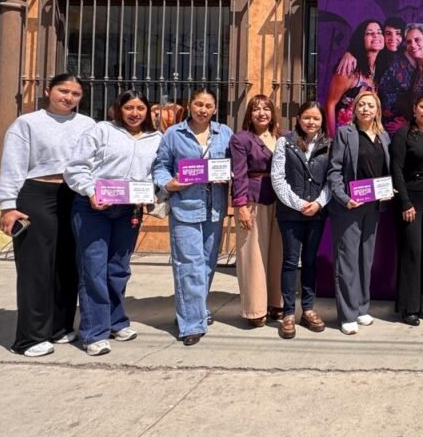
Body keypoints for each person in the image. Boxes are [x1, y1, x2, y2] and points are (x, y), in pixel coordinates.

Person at [0, 73, 95, 357]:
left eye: (75, 94)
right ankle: (29, 338)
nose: (69, 98)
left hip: (75, 195)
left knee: (68, 264)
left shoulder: (88, 125)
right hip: (36, 195)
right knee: (36, 266)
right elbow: (13, 165)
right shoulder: (27, 123)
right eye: (63, 91)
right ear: (49, 90)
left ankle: (59, 326)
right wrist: (7, 205)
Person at [64, 89, 162, 356]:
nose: (134, 113)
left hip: (128, 210)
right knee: (93, 269)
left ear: (148, 111)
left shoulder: (156, 138)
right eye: (129, 108)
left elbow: (157, 172)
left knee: (118, 268)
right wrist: (90, 192)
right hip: (93, 208)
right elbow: (76, 167)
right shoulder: (101, 131)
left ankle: (116, 322)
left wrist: (153, 191)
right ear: (118, 109)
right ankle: (94, 333)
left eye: (140, 108)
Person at [152, 88, 233, 346]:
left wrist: (229, 175)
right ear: (189, 105)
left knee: (207, 263)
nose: (203, 110)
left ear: (215, 108)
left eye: (208, 106)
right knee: (188, 264)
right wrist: (169, 183)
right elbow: (160, 166)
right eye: (198, 104)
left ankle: (194, 309)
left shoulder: (224, 133)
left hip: (214, 207)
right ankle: (191, 323)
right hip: (185, 205)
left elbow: (234, 163)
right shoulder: (174, 134)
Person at [326, 90, 392, 335]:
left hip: (373, 207)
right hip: (350, 207)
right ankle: (347, 314)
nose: (366, 109)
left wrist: (388, 190)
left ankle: (362, 307)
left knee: (366, 259)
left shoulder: (384, 136)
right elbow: (334, 171)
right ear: (354, 109)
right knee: (347, 260)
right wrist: (344, 198)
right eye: (361, 105)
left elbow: (385, 171)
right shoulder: (345, 133)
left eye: (370, 105)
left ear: (377, 110)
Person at [271, 102, 331, 338]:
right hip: (290, 214)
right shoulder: (284, 142)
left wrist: (318, 203)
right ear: (298, 119)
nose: (311, 122)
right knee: (290, 261)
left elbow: (331, 179)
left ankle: (308, 309)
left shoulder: (329, 145)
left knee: (310, 261)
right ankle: (288, 313)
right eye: (307, 117)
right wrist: (298, 204)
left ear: (322, 121)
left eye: (316, 118)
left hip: (316, 213)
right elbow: (278, 178)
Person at [390, 94, 423, 326]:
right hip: (412, 202)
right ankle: (408, 307)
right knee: (412, 252)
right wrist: (405, 203)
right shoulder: (403, 134)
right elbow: (396, 169)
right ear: (414, 108)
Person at [229, 94, 283, 328]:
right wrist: (240, 206)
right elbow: (239, 173)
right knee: (253, 255)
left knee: (278, 253)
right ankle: (255, 308)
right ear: (249, 115)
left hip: (280, 200)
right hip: (252, 199)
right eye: (256, 109)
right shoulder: (241, 139)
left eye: (266, 108)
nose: (262, 113)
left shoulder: (283, 137)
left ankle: (276, 302)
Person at [325, 20, 385, 135]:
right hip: (346, 135)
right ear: (361, 39)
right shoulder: (349, 68)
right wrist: (332, 139)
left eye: (379, 32)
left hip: (367, 135)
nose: (376, 36)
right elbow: (330, 104)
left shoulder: (379, 69)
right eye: (369, 33)